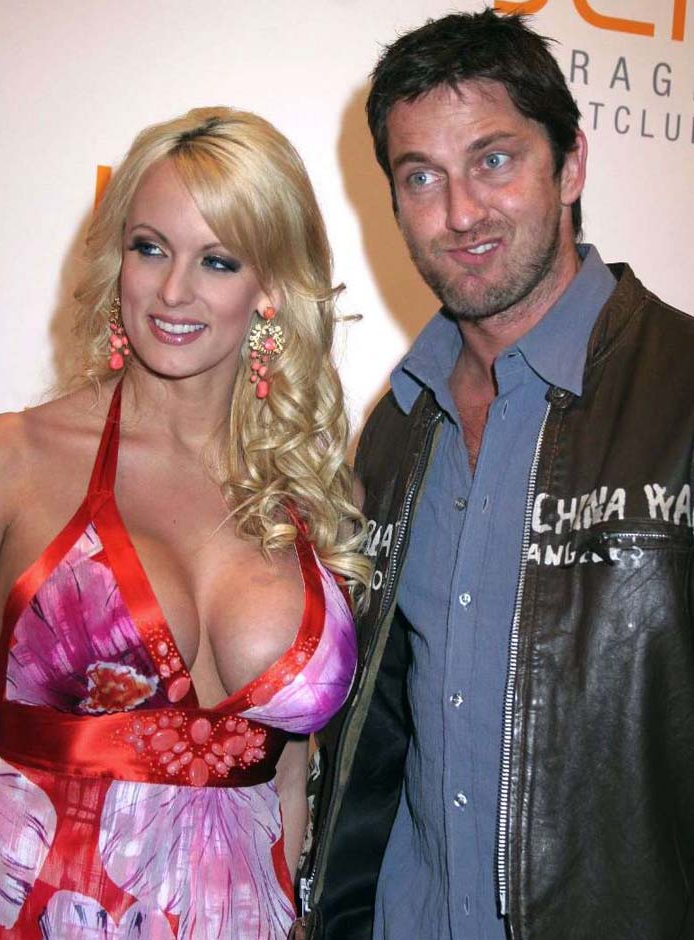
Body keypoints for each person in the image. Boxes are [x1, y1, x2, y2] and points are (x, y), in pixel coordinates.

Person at [294, 8, 694, 940]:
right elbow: (374, 735)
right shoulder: (393, 428)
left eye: (495, 159)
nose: (461, 212)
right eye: (421, 176)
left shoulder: (681, 392)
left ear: (572, 164)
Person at [0, 106, 369, 940]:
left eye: (218, 260)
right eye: (150, 247)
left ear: (269, 288)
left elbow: (288, 781)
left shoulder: (311, 495)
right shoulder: (15, 461)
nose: (172, 291)